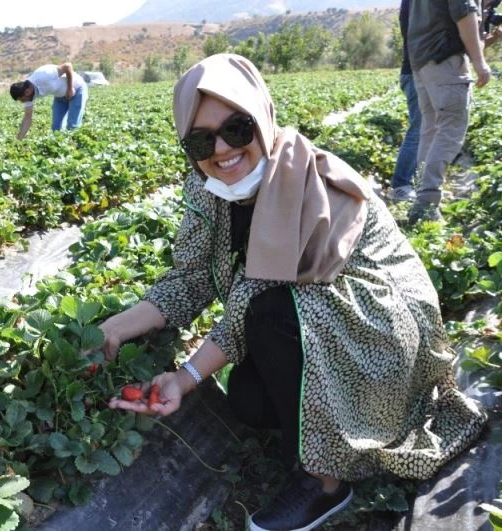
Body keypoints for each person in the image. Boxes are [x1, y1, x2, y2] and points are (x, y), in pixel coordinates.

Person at [102, 54, 487, 531]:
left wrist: (184, 377)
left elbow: (253, 304)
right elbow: (191, 277)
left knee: (271, 315)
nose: (222, 148)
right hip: (305, 317)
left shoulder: (300, 180)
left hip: (382, 326)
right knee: (249, 401)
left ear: (261, 117)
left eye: (237, 128)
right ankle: (329, 426)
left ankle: (323, 482)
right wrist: (113, 328)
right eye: (202, 139)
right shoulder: (208, 188)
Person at [406, 0, 492, 224]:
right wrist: (479, 62)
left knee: (431, 129)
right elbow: (464, 14)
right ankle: (427, 201)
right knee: (450, 128)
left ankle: (422, 199)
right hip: (444, 59)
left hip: (422, 61)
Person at [388, 0, 422, 203]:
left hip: (415, 72)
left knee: (423, 129)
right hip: (416, 73)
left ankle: (410, 179)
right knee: (419, 129)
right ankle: (400, 184)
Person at [9, 63, 88, 140]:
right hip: (60, 96)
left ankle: (75, 148)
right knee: (56, 128)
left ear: (27, 92)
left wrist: (70, 88)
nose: (23, 102)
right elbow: (27, 118)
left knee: (72, 126)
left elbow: (68, 66)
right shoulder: (27, 96)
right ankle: (62, 148)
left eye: (22, 100)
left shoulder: (44, 75)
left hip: (77, 89)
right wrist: (19, 140)